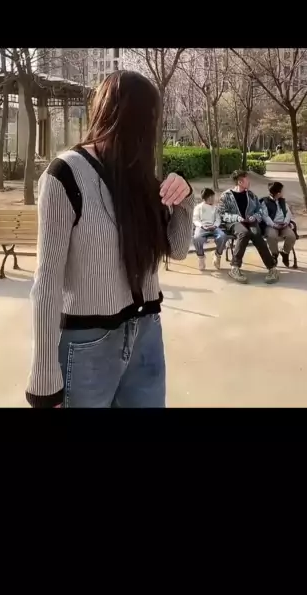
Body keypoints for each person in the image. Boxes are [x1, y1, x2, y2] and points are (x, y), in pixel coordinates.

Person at [26, 70, 194, 408]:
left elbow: (177, 249)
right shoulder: (65, 175)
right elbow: (47, 282)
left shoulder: (141, 177)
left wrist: (185, 198)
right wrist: (44, 380)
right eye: (147, 118)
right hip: (87, 344)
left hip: (146, 334)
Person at [216, 170, 279, 284]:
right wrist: (237, 218)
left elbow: (260, 210)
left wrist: (254, 217)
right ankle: (234, 268)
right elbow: (222, 214)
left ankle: (272, 268)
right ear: (240, 182)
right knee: (244, 233)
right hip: (234, 222)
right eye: (247, 179)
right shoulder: (226, 196)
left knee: (257, 235)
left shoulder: (251, 195)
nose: (249, 181)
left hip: (251, 222)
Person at [260, 181, 296, 268]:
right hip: (271, 225)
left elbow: (288, 213)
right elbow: (265, 216)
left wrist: (286, 222)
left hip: (283, 224)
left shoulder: (282, 201)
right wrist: (274, 225)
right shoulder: (265, 202)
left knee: (291, 236)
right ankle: (274, 254)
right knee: (271, 236)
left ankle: (285, 253)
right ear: (278, 193)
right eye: (282, 191)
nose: (284, 192)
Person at [193, 188, 227, 271]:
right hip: (202, 227)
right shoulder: (198, 207)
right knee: (197, 238)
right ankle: (201, 257)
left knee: (222, 236)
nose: (214, 199)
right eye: (213, 197)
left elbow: (218, 219)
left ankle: (217, 255)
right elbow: (195, 220)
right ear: (209, 197)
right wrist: (202, 226)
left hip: (214, 227)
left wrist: (215, 226)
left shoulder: (215, 208)